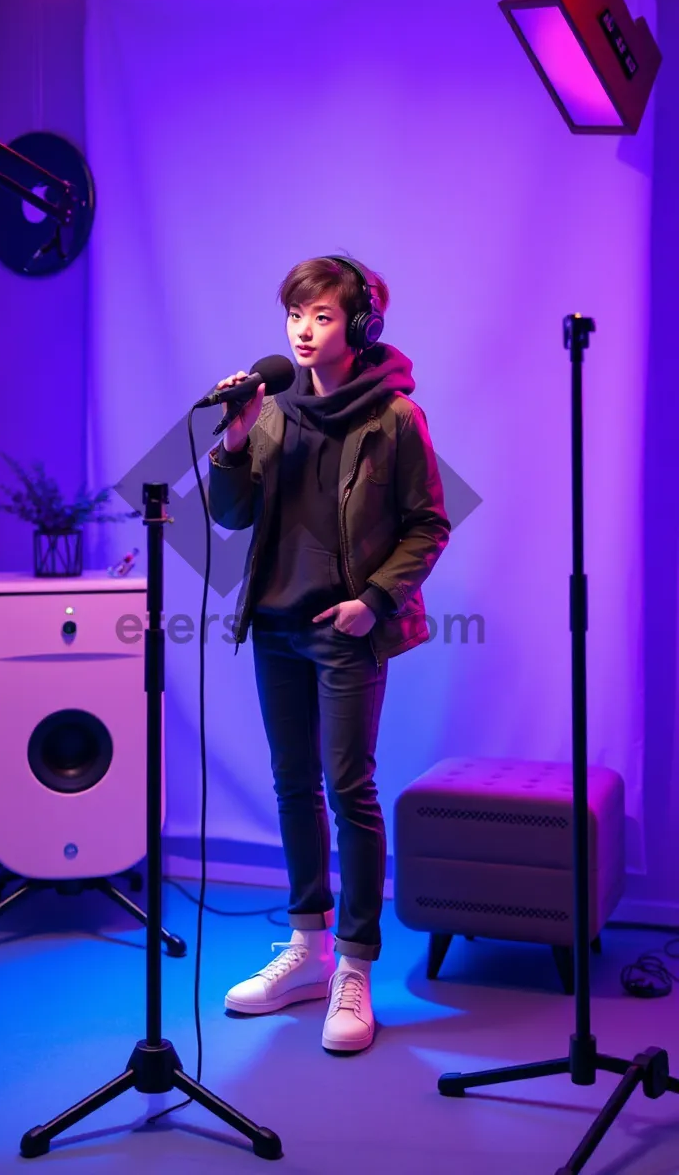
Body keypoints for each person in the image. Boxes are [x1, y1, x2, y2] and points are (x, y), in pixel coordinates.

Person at [207, 255, 450, 1053]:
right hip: (273, 625)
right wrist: (235, 442)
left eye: (322, 317)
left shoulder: (396, 418)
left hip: (346, 628)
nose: (304, 332)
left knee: (350, 788)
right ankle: (306, 947)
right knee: (291, 785)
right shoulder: (271, 410)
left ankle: (354, 965)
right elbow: (235, 518)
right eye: (295, 316)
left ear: (359, 327)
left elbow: (428, 524)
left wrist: (372, 602)